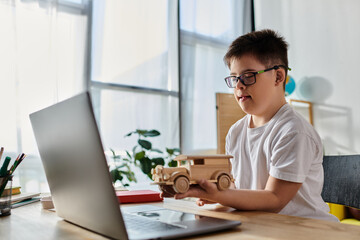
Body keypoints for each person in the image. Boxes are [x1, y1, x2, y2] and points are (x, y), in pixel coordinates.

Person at [161, 29, 338, 222]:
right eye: (234, 78)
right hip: (262, 225)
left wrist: (219, 196)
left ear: (278, 77)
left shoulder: (294, 131)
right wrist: (217, 200)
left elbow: (275, 199)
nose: (239, 86)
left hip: (306, 230)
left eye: (248, 76)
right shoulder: (236, 132)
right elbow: (240, 190)